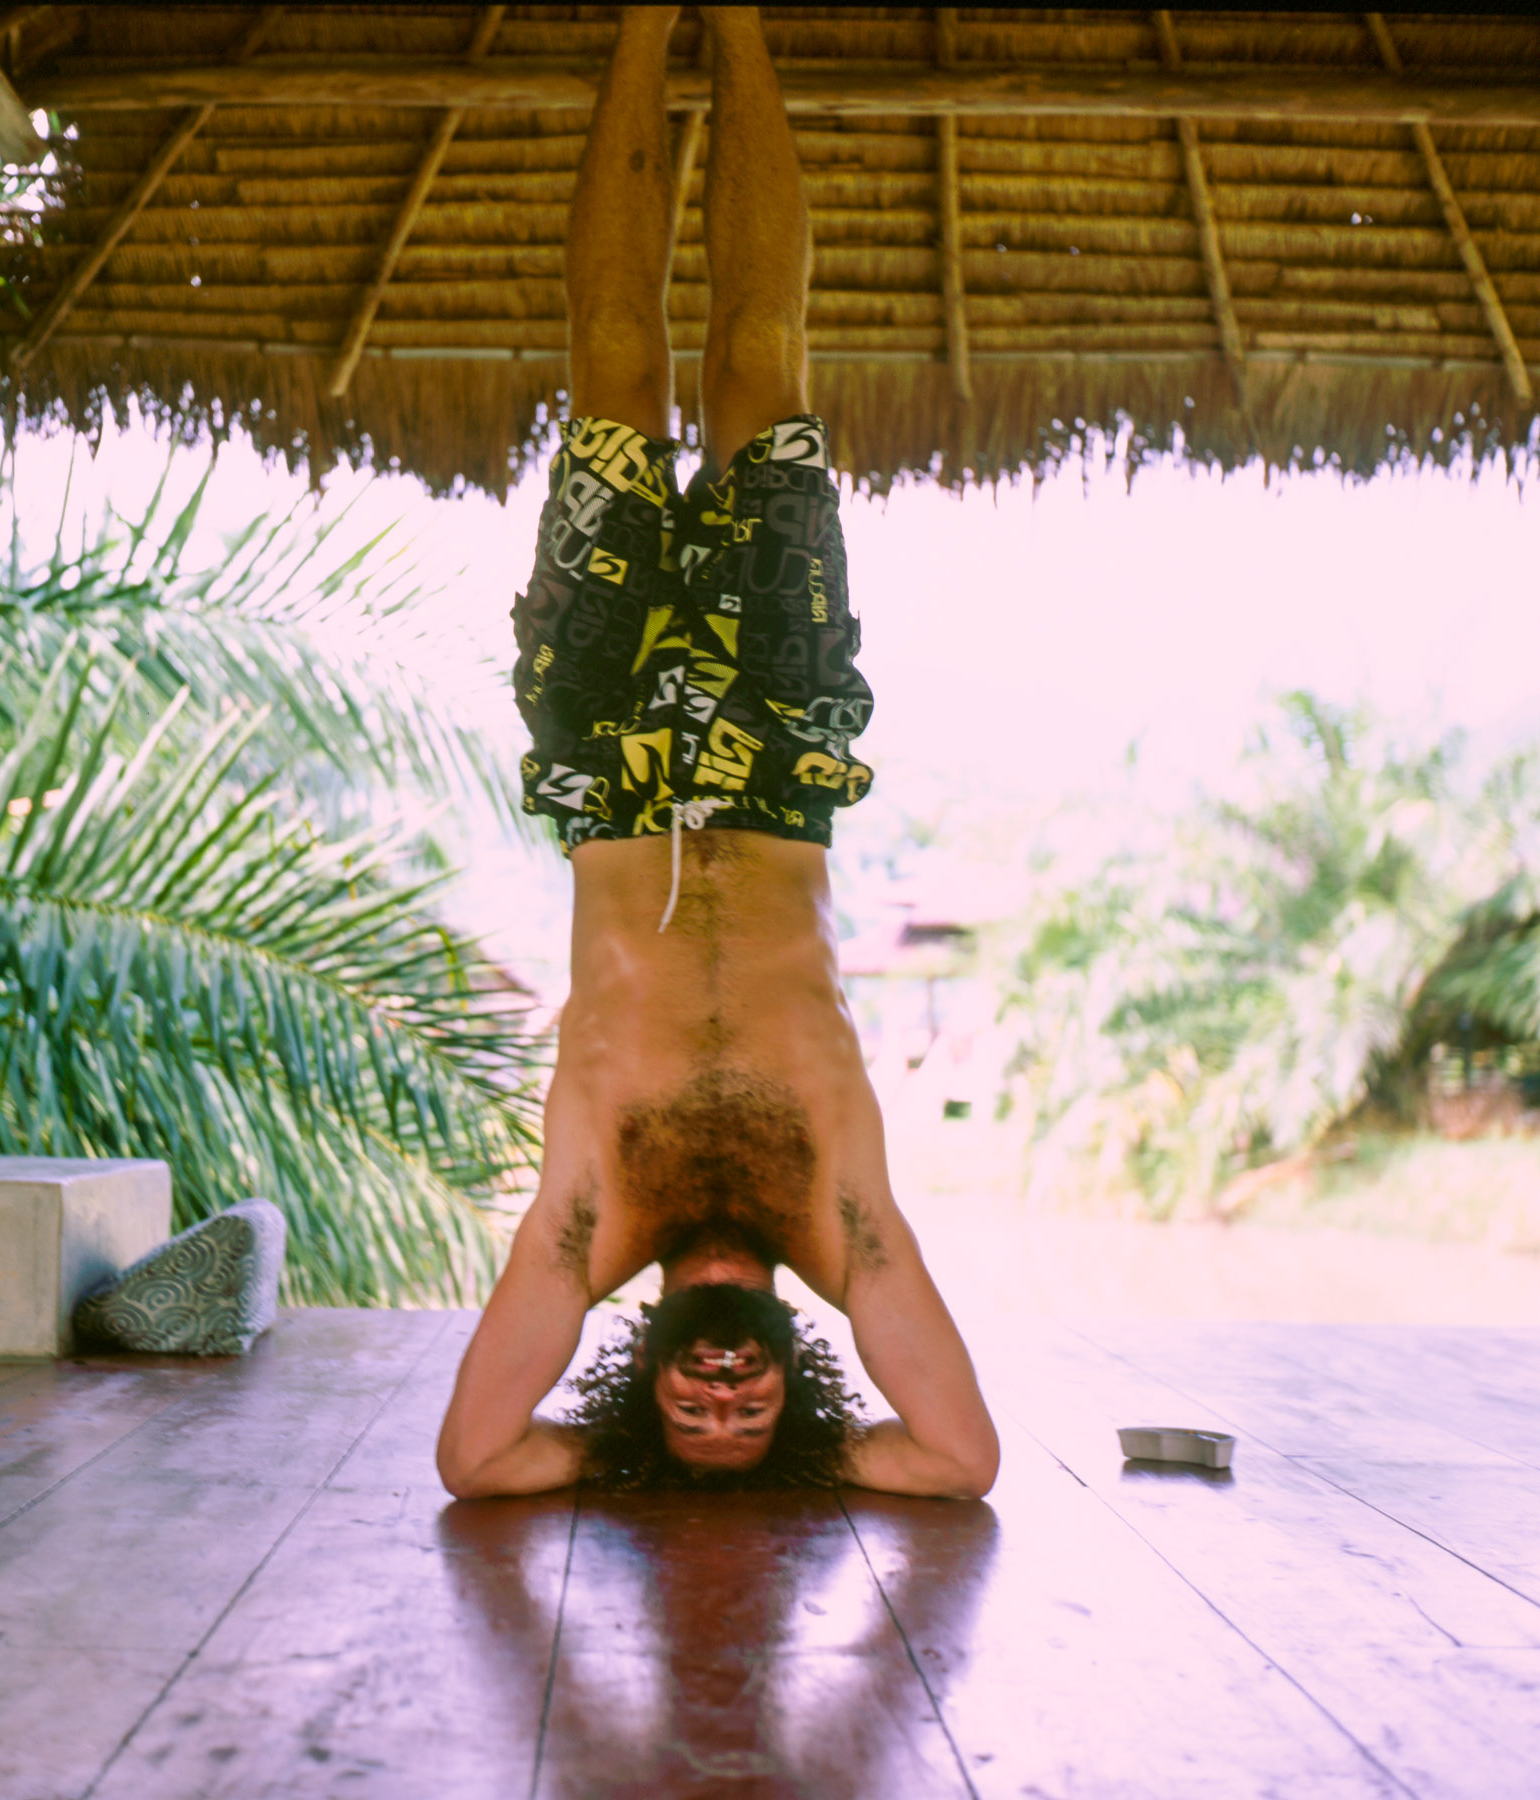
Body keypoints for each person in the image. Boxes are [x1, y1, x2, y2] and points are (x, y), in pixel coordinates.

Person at [436, 6, 999, 1499]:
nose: (723, 1395)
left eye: (696, 1418)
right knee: (763, 357)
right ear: (792, 1388)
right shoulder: (838, 1225)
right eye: (748, 1416)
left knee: (612, 365)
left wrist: (621, 1461)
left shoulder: (590, 1223)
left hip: (608, 774)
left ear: (651, 1384)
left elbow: (476, 1459)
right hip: (781, 764)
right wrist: (811, 1464)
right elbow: (959, 1459)